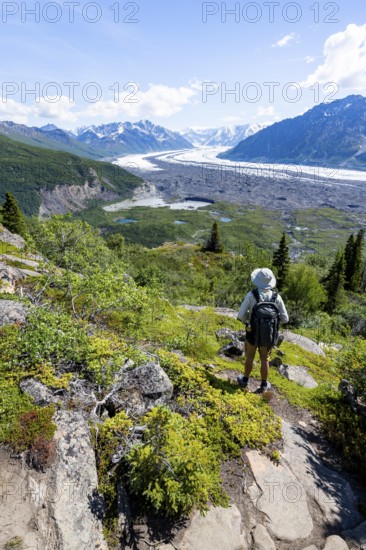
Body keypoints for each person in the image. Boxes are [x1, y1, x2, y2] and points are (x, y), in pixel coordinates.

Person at [237, 267, 289, 393]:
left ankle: (245, 380)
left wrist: (250, 319)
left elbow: (240, 315)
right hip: (268, 335)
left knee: (250, 356)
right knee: (265, 359)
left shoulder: (251, 295)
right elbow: (285, 318)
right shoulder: (277, 297)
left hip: (252, 332)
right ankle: (264, 384)